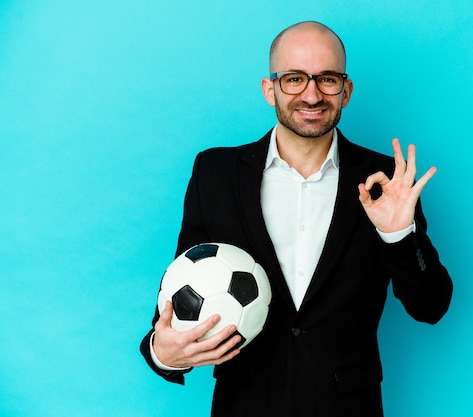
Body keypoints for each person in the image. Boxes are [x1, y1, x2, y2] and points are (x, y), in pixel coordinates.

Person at [140, 21, 453, 417]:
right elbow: (179, 295)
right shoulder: (215, 173)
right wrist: (163, 353)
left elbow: (431, 306)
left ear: (346, 91)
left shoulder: (387, 181)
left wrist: (399, 235)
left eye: (327, 78)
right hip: (244, 405)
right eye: (293, 78)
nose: (311, 94)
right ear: (269, 89)